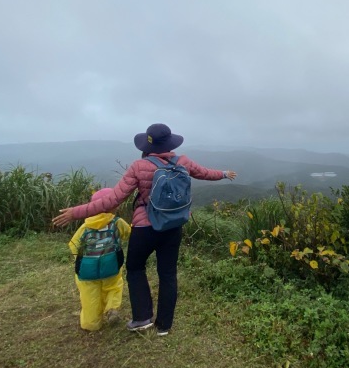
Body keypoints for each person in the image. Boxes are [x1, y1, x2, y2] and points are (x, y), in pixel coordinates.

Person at [53, 123, 237, 336]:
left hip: (145, 228)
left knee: (135, 268)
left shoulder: (139, 167)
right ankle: (164, 326)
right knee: (168, 273)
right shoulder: (183, 161)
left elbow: (112, 199)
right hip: (173, 226)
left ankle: (142, 318)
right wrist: (224, 173)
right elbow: (205, 173)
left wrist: (76, 212)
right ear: (169, 143)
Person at [68, 188, 131, 331]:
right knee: (114, 287)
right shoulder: (116, 222)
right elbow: (128, 233)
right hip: (111, 265)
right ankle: (112, 308)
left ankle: (91, 324)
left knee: (90, 296)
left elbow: (73, 246)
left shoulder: (85, 226)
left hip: (87, 270)